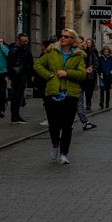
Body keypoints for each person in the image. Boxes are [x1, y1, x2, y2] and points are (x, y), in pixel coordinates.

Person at [33, 29, 87, 164]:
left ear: (72, 40)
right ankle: (55, 144)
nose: (62, 38)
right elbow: (37, 64)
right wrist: (48, 75)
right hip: (53, 93)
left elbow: (82, 74)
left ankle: (64, 153)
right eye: (61, 36)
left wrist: (67, 73)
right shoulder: (52, 52)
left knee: (67, 125)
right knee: (54, 124)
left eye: (66, 37)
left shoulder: (78, 56)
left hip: (70, 94)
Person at [7, 32, 34, 123]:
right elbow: (10, 63)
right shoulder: (15, 49)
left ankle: (16, 115)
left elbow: (29, 63)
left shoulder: (25, 50)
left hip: (22, 75)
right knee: (16, 96)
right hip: (17, 76)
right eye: (23, 41)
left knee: (19, 96)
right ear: (19, 40)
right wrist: (11, 75)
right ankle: (14, 116)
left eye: (26, 41)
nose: (25, 43)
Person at [75, 37, 98, 131]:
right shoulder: (76, 54)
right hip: (75, 82)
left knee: (79, 103)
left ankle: (85, 122)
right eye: (81, 42)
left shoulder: (88, 52)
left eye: (84, 42)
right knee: (76, 104)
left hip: (86, 79)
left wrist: (92, 71)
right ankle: (84, 122)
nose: (83, 44)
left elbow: (96, 63)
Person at [82, 39, 100, 111]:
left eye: (88, 43)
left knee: (89, 91)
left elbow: (96, 62)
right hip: (82, 74)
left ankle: (88, 103)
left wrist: (94, 70)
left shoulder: (92, 53)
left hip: (90, 74)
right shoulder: (80, 52)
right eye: (85, 43)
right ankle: (81, 104)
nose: (86, 45)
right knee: (81, 90)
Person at [98, 45, 112, 110]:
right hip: (102, 76)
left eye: (107, 52)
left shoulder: (111, 58)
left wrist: (111, 73)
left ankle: (107, 103)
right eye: (105, 52)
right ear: (103, 52)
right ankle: (101, 102)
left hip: (108, 76)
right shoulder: (100, 58)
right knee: (102, 89)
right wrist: (100, 73)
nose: (106, 53)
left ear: (109, 52)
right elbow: (98, 67)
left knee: (108, 90)